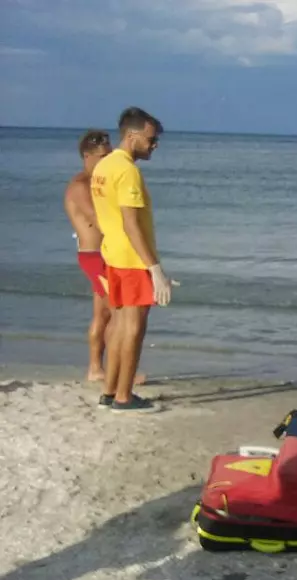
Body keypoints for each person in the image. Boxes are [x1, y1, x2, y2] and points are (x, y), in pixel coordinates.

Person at [89, 107, 171, 413]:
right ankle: (124, 395)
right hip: (132, 259)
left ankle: (110, 391)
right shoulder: (127, 171)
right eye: (151, 139)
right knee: (134, 328)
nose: (154, 145)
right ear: (132, 135)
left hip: (114, 255)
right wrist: (155, 268)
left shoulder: (104, 166)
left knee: (121, 325)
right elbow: (131, 224)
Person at [64, 130, 145, 386]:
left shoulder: (97, 181)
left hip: (104, 254)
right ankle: (111, 372)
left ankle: (97, 369)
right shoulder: (80, 186)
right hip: (95, 256)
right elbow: (100, 220)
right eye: (101, 156)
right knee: (117, 314)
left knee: (103, 315)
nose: (106, 160)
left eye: (109, 154)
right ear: (86, 156)